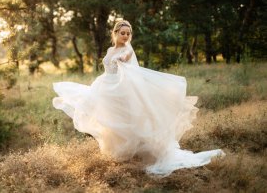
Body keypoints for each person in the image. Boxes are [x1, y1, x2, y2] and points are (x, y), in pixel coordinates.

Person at [52, 20, 224, 176]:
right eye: (123, 33)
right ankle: (118, 153)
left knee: (125, 121)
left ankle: (134, 153)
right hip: (105, 86)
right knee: (106, 118)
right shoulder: (110, 49)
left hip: (119, 89)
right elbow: (108, 65)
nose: (126, 36)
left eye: (128, 33)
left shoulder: (127, 50)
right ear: (116, 33)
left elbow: (126, 59)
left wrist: (121, 58)